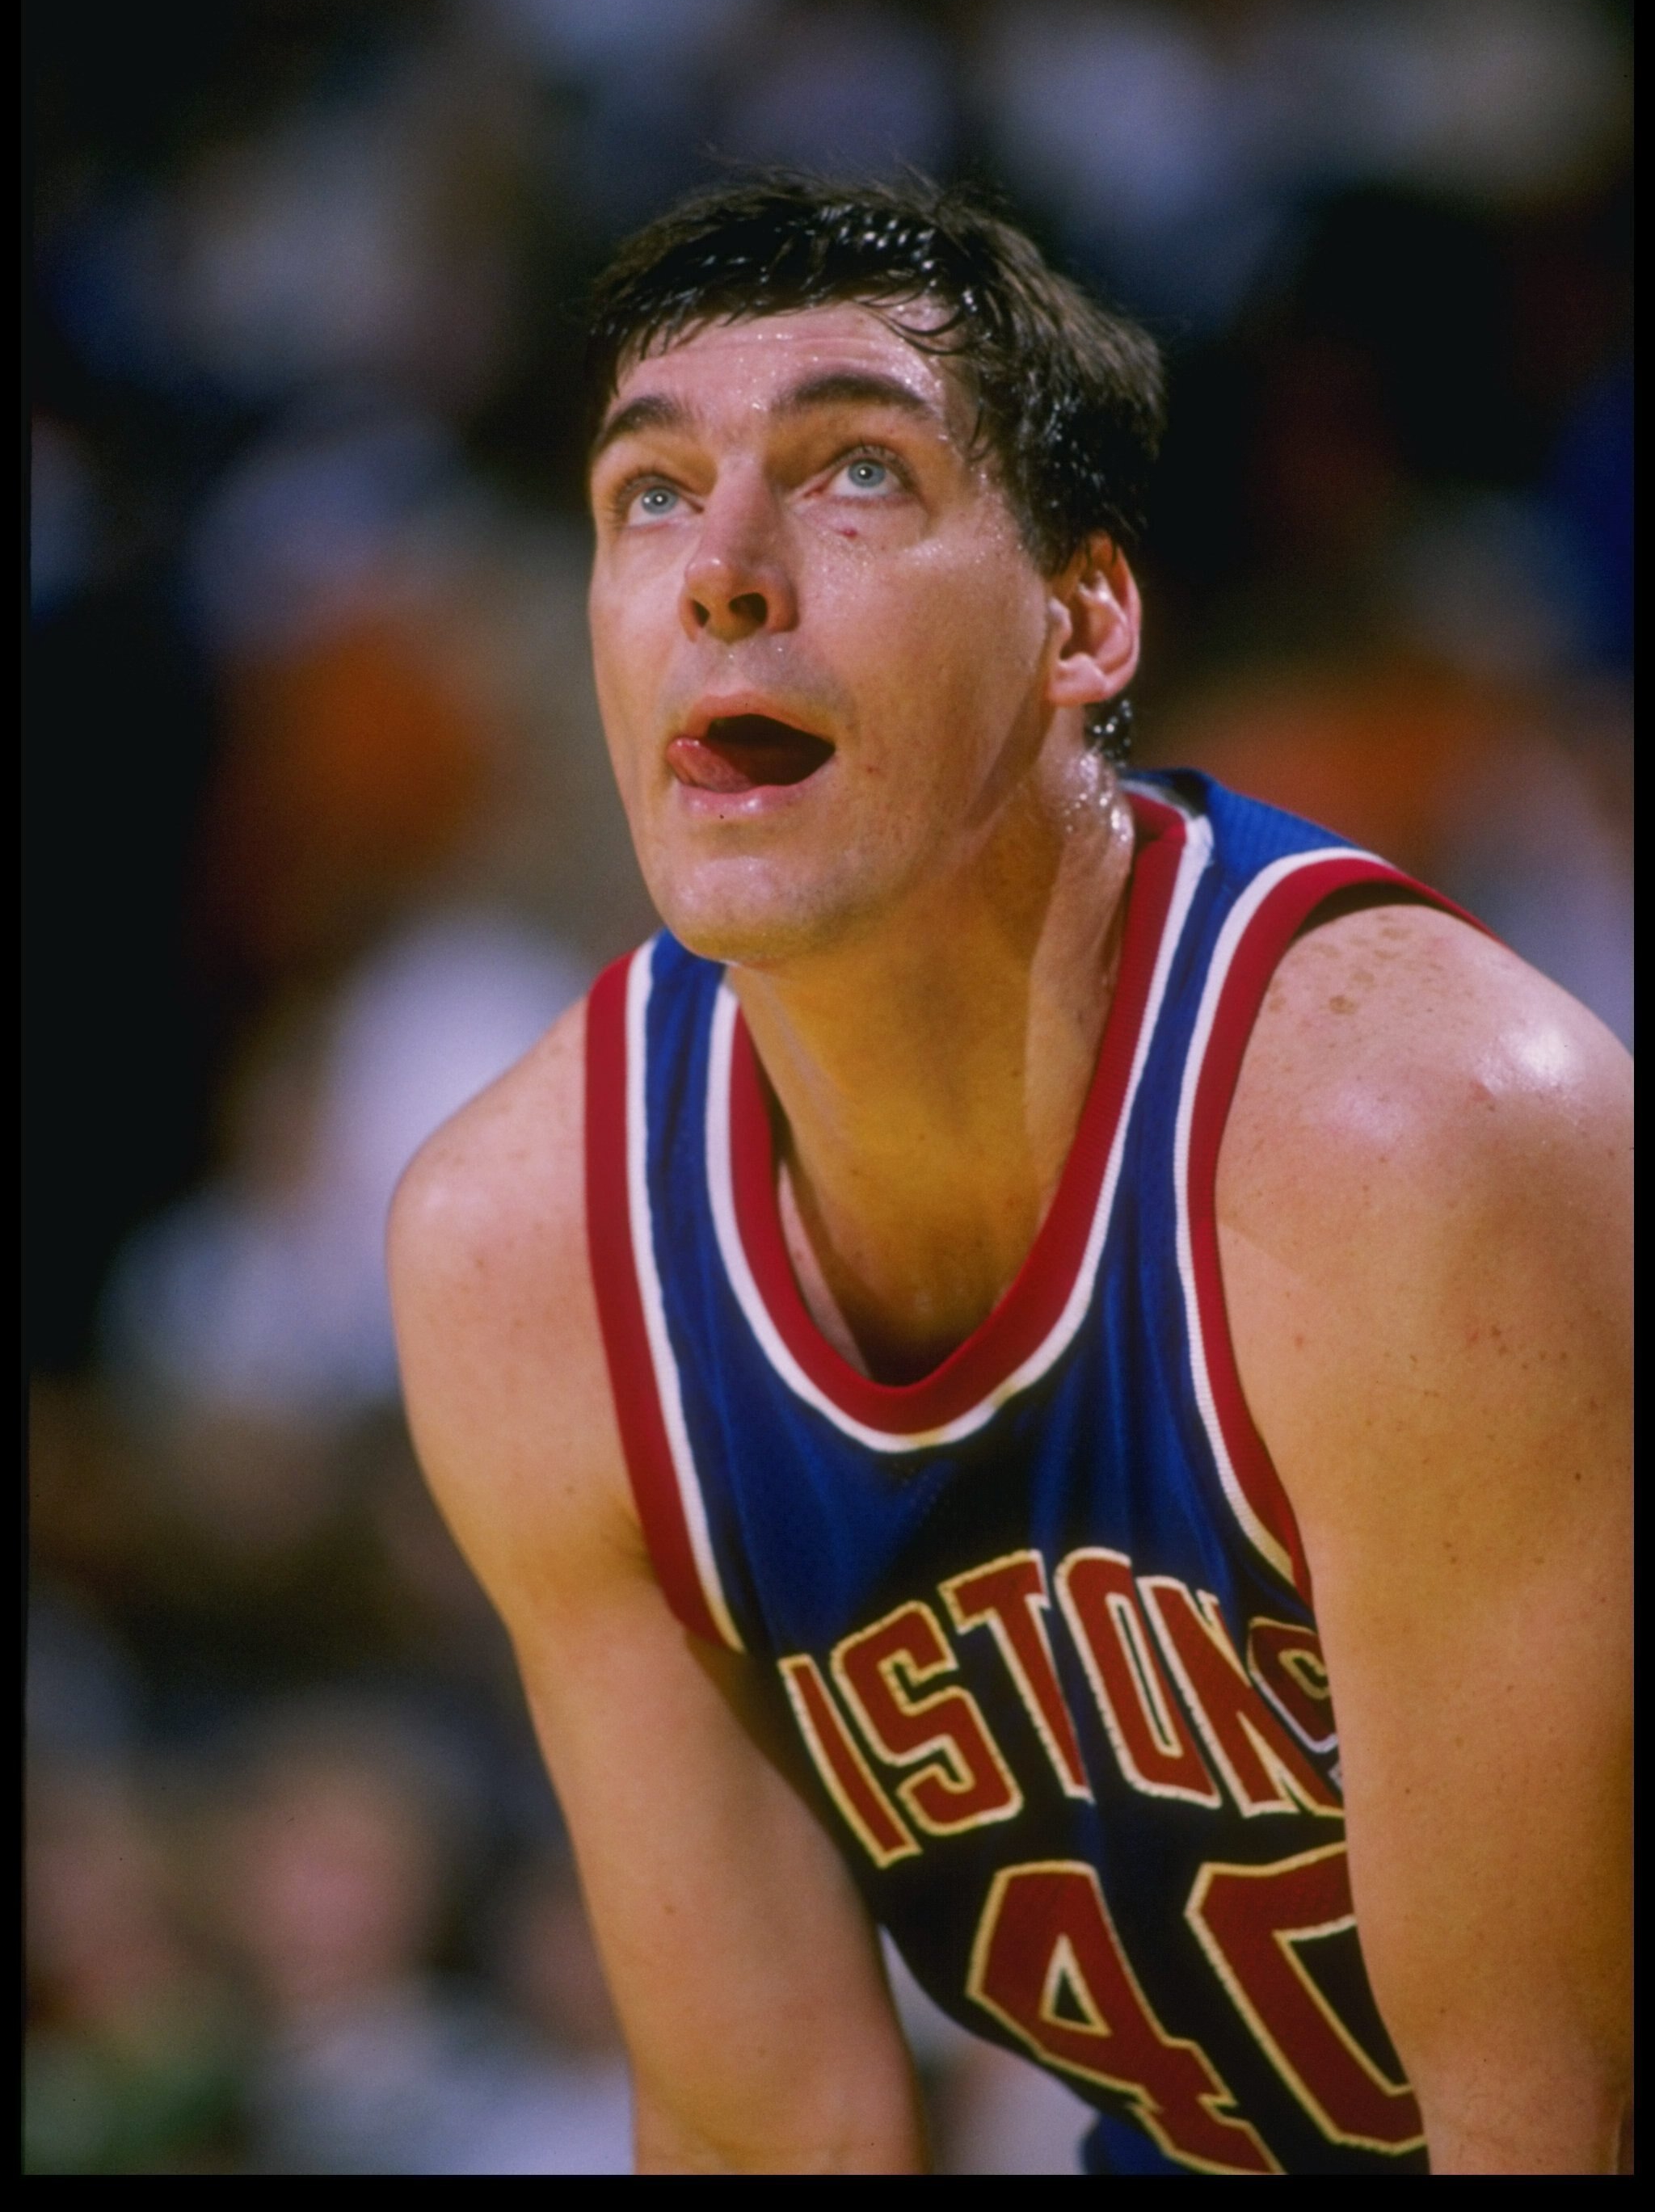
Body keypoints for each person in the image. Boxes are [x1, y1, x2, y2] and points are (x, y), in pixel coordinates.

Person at [389, 176, 1631, 2176]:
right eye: (649, 495)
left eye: (855, 475)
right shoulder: (525, 1255)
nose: (722, 576)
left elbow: (1549, 2110)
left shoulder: (1406, 1140)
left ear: (1083, 618)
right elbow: (767, 2130)